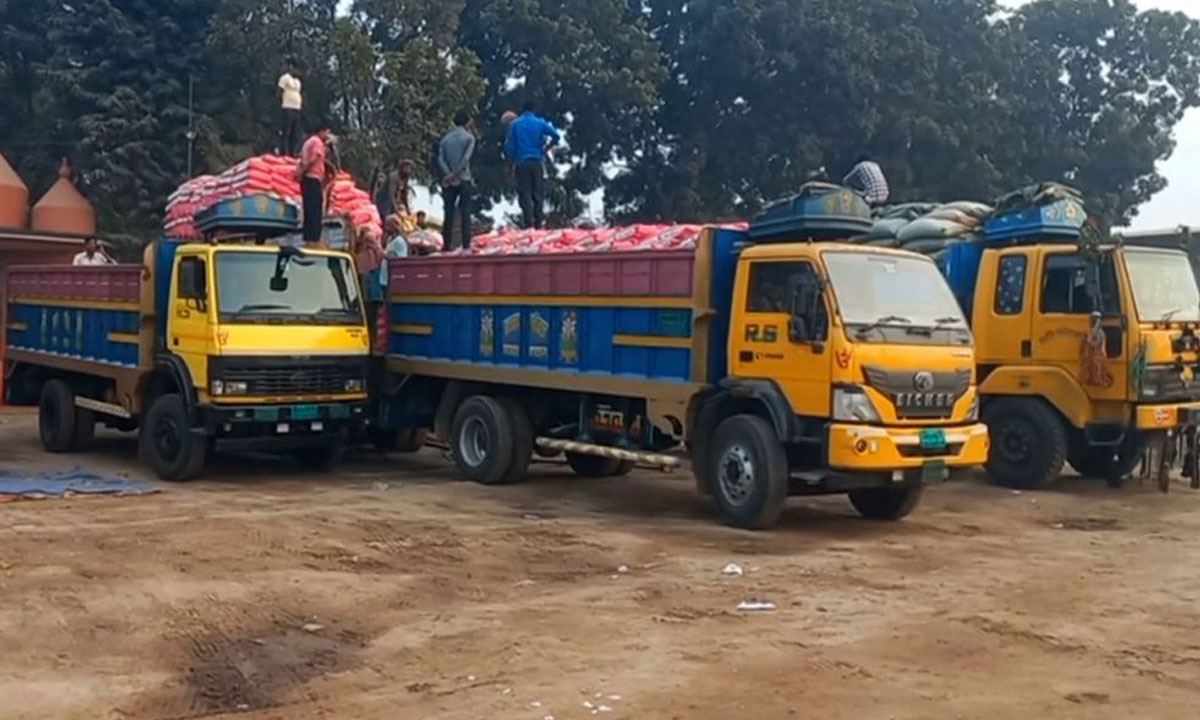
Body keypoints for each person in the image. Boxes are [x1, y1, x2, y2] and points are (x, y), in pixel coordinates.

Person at [505, 101, 561, 229]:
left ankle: (528, 223)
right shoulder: (539, 122)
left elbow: (510, 148)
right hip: (537, 161)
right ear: (533, 110)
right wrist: (547, 148)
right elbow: (556, 136)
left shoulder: (515, 124)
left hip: (521, 162)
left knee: (525, 193)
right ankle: (538, 223)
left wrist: (510, 167)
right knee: (537, 193)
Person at [438, 110, 476, 250]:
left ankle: (446, 245)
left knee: (448, 213)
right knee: (465, 211)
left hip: (448, 181)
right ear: (466, 122)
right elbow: (466, 159)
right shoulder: (469, 138)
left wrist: (448, 174)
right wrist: (456, 174)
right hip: (463, 178)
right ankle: (466, 245)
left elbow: (440, 159)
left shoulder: (445, 139)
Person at [298, 120, 333, 245]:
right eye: (327, 132)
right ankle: (314, 239)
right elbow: (314, 158)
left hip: (307, 179)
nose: (328, 135)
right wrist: (303, 171)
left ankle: (308, 237)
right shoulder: (317, 142)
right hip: (312, 178)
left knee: (309, 208)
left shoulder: (308, 142)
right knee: (315, 209)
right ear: (321, 131)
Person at [277, 59, 304, 156]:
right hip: (287, 107)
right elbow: (279, 92)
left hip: (296, 108)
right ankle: (284, 152)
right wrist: (280, 104)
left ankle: (293, 152)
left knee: (295, 132)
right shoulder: (285, 78)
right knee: (286, 131)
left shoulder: (298, 82)